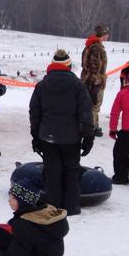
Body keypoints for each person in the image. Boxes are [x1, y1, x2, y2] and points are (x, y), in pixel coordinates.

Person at [29, 49, 95, 215]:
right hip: (71, 138)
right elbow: (86, 113)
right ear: (69, 66)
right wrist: (88, 137)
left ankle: (53, 208)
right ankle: (71, 208)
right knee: (72, 171)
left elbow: (35, 113)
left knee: (52, 172)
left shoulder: (42, 86)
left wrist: (36, 136)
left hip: (47, 137)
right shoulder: (78, 86)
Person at [81, 24, 110, 137]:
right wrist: (98, 80)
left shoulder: (89, 45)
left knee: (89, 104)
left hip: (86, 79)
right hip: (94, 80)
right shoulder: (97, 48)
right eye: (107, 33)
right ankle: (91, 128)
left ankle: (93, 126)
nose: (108, 35)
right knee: (94, 105)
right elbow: (95, 66)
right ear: (103, 34)